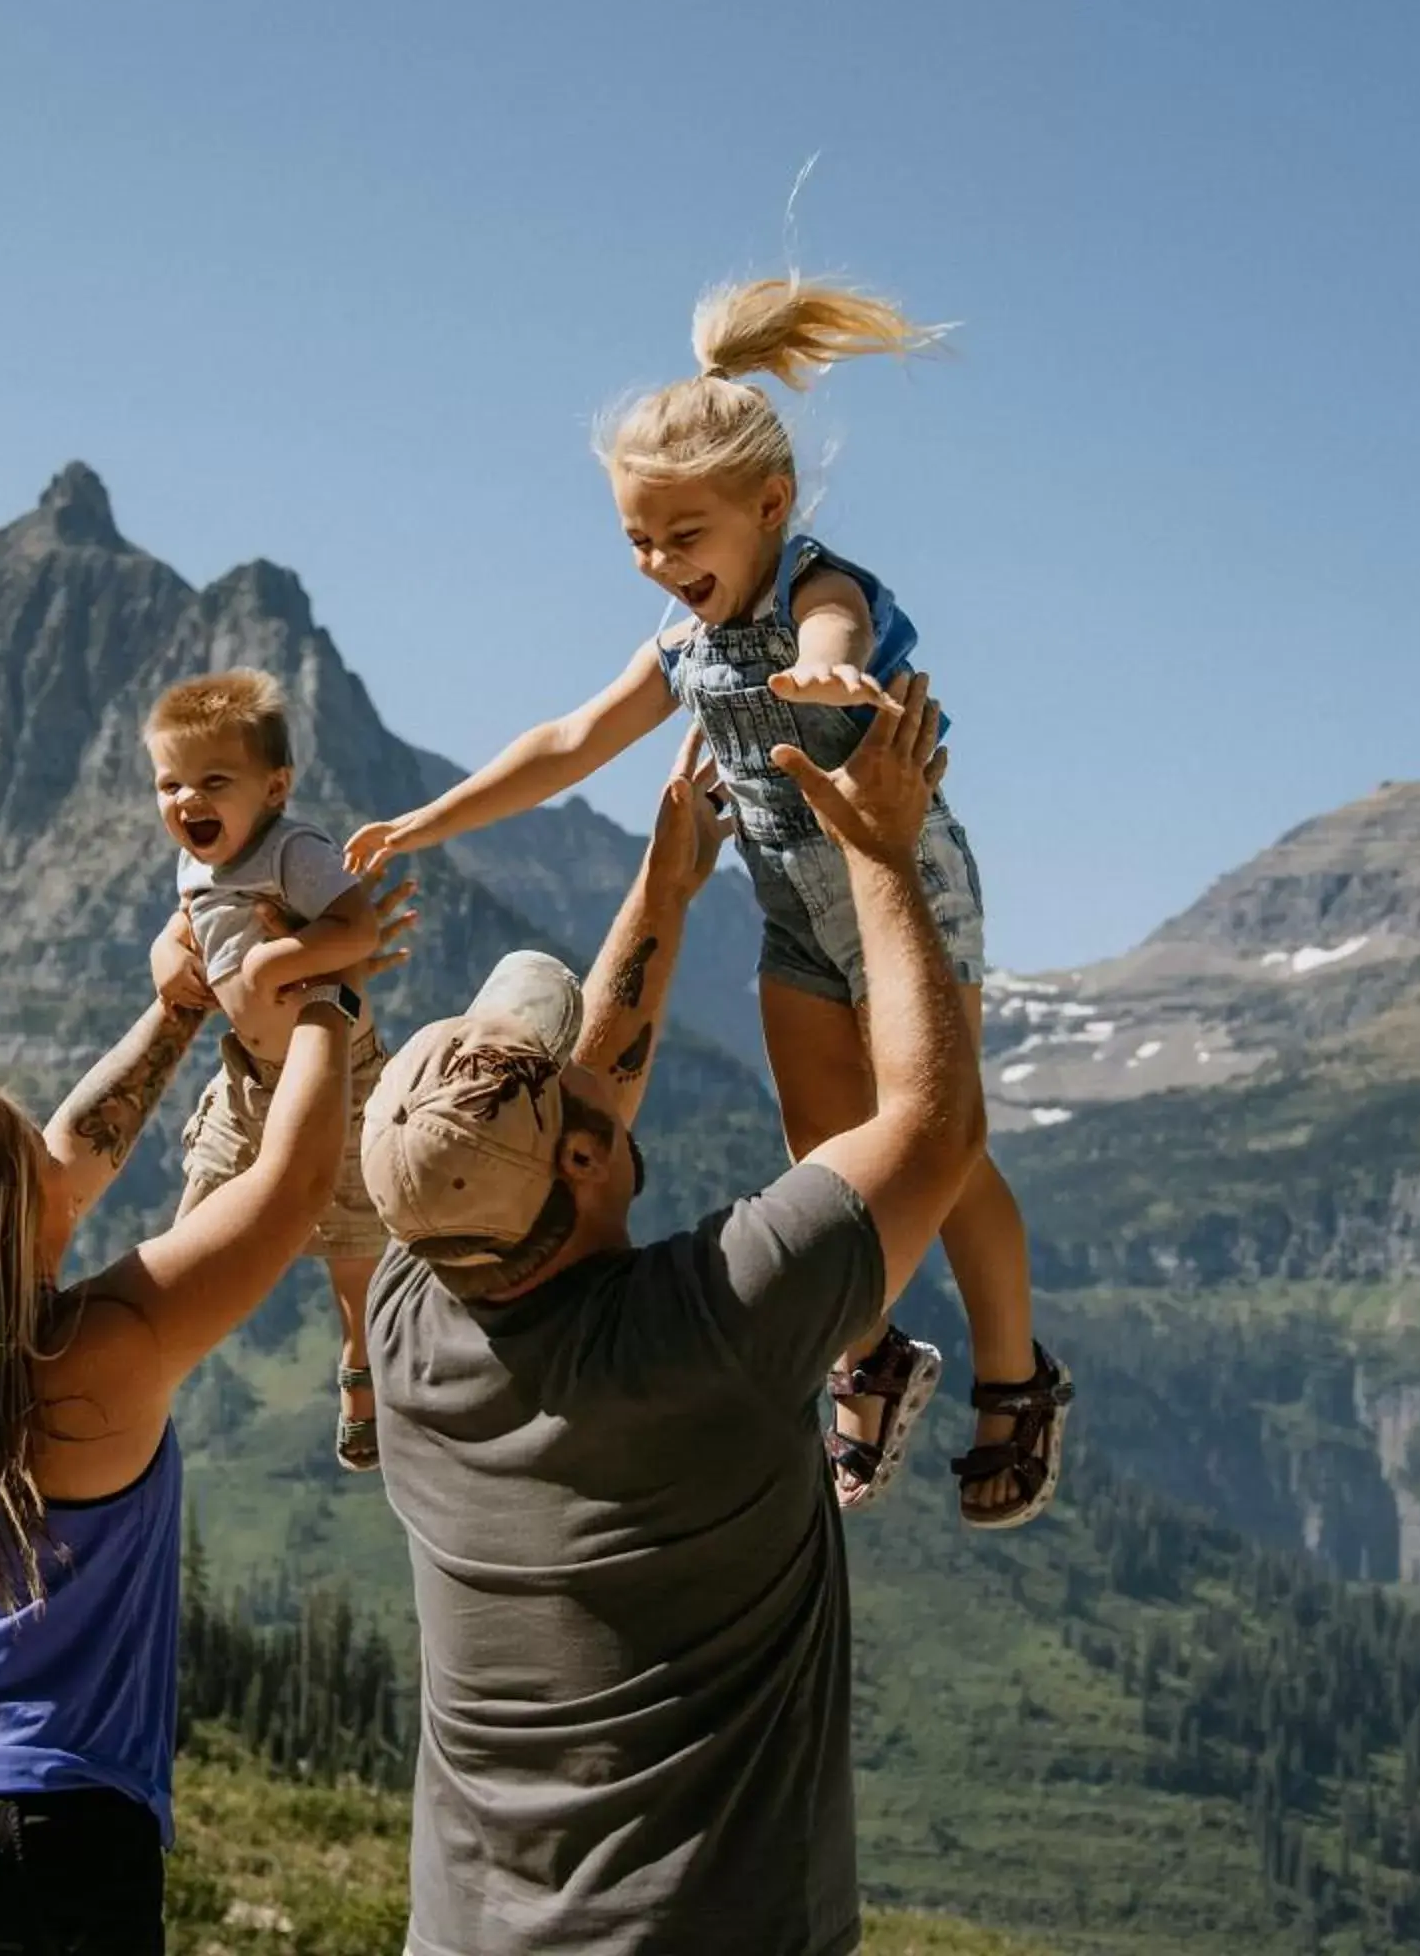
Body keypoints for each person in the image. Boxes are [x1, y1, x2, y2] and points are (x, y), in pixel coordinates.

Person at [346, 277, 1070, 1525]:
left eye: (684, 537)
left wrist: (825, 673)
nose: (660, 564)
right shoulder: (680, 645)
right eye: (639, 539)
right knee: (825, 1144)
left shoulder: (812, 587)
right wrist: (430, 816)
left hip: (904, 884)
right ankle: (874, 1350)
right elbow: (572, 738)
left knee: (942, 1146)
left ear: (769, 511)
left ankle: (1018, 1375)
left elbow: (838, 638)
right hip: (796, 906)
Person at [361, 677, 1054, 1954]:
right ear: (575, 1163)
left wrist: (663, 891)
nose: (587, 1081)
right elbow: (936, 1125)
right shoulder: (721, 1320)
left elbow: (576, 1105)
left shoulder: (410, 1313)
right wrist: (879, 853)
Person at [0, 882, 412, 1956]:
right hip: (22, 1839)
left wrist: (178, 1009)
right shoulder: (95, 1353)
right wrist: (323, 989)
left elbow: (71, 1157)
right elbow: (298, 1180)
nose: (56, 1160)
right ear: (6, 1221)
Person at [145, 669, 394, 1471]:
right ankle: (147, 1373)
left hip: (338, 1072)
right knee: (196, 1221)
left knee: (355, 1244)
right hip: (249, 1075)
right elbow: (185, 929)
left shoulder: (296, 850)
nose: (188, 802)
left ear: (275, 787)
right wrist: (166, 958)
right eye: (171, 783)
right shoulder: (197, 867)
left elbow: (357, 928)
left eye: (214, 782)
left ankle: (360, 1367)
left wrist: (267, 970)